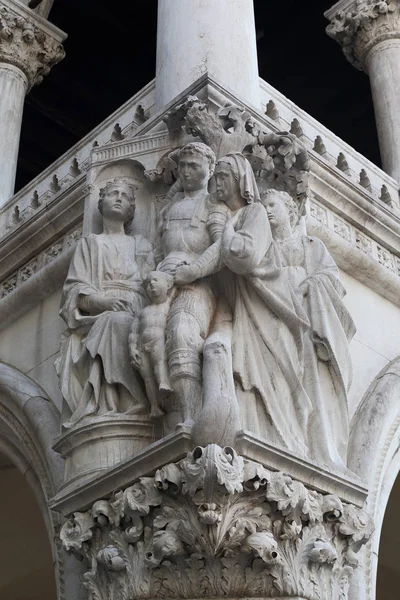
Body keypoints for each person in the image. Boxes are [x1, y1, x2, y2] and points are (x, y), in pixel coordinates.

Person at [175, 153, 313, 457]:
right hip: (236, 308)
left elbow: (243, 255)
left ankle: (285, 443)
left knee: (272, 379)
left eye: (223, 175)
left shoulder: (254, 213)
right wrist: (196, 269)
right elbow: (218, 254)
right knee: (217, 350)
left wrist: (220, 235)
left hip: (266, 309)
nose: (217, 182)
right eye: (216, 176)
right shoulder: (230, 218)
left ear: (239, 179)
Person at [260, 189, 355, 466]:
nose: (267, 210)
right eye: (263, 206)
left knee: (312, 385)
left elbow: (332, 279)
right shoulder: (265, 250)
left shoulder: (310, 245)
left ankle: (317, 445)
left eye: (273, 205)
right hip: (275, 322)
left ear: (290, 210)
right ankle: (286, 438)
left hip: (305, 323)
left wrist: (307, 285)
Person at [55, 178, 155, 427]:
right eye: (113, 193)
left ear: (131, 208)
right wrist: (104, 302)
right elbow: (74, 290)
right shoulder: (90, 244)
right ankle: (124, 401)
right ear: (101, 203)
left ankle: (133, 399)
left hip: (138, 307)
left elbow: (152, 282)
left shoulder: (140, 245)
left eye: (124, 195)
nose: (119, 198)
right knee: (115, 322)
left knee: (127, 323)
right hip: (102, 311)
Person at [157, 141, 230, 427]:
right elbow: (155, 248)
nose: (186, 172)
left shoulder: (212, 204)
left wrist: (195, 270)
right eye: (182, 166)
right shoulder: (170, 208)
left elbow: (222, 244)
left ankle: (190, 417)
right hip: (162, 280)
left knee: (182, 334)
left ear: (209, 169)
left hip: (196, 282)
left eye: (193, 166)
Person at [129, 271, 174, 418]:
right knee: (147, 376)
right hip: (142, 346)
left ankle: (164, 383)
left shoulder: (169, 305)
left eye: (155, 280)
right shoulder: (142, 312)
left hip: (159, 340)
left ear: (168, 285)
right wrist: (132, 348)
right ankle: (154, 406)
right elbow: (133, 333)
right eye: (148, 283)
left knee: (159, 361)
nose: (151, 284)